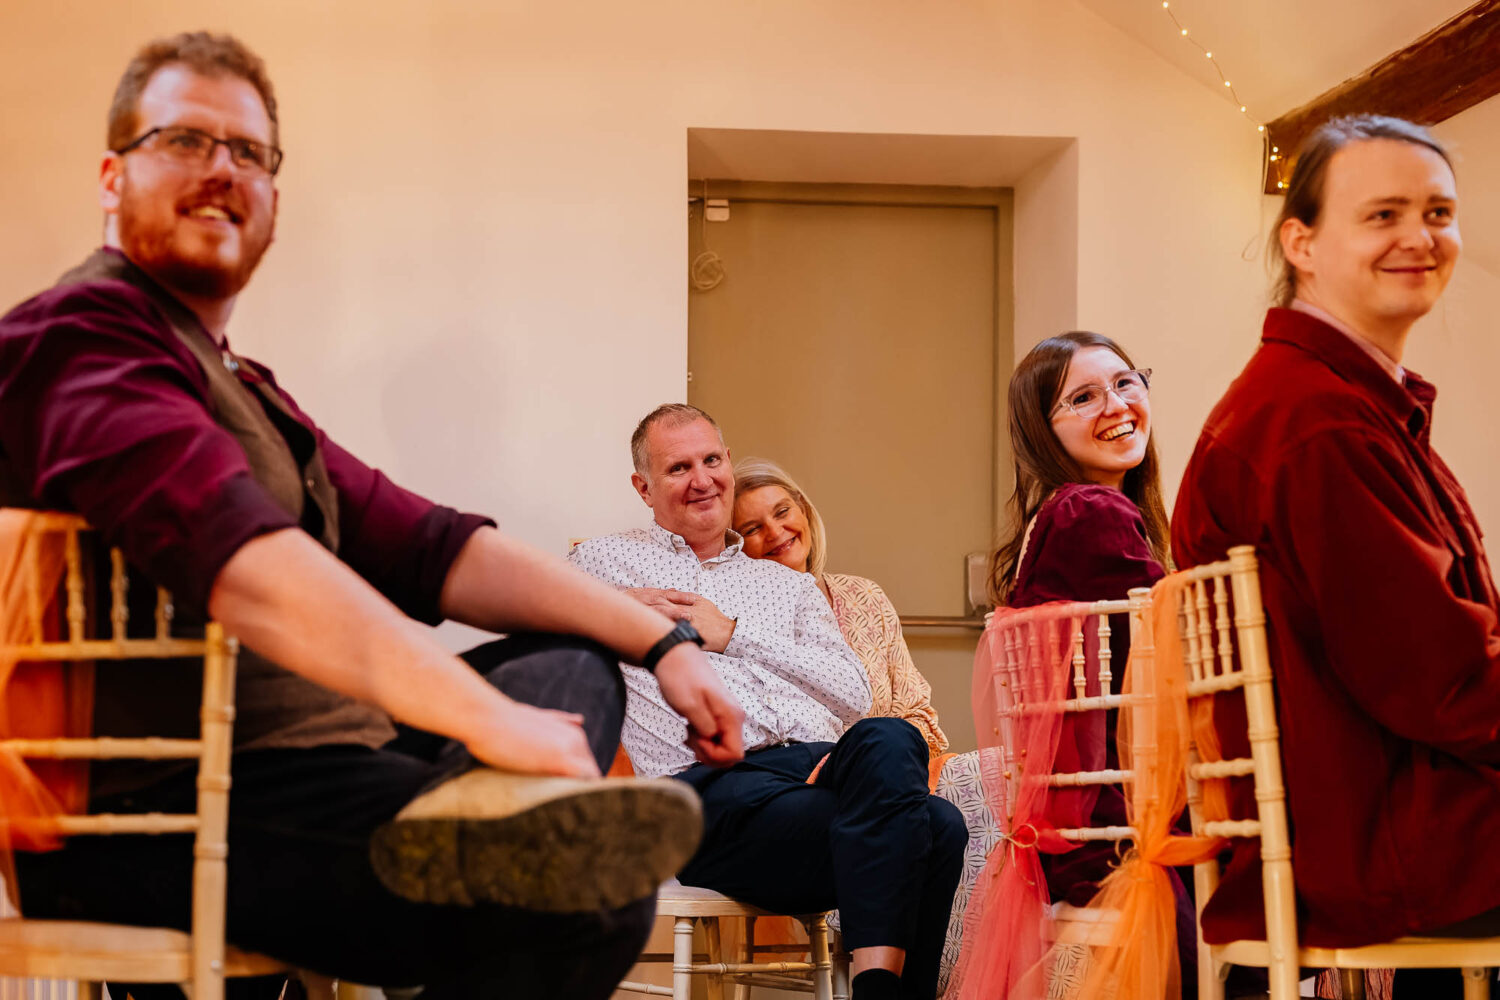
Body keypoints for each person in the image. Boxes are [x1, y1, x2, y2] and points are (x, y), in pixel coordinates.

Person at [0, 31, 745, 1000]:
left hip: (319, 767)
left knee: (568, 666)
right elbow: (236, 554)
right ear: (113, 173)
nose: (222, 170)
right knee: (587, 895)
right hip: (166, 814)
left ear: (273, 194)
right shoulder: (75, 336)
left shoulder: (243, 384)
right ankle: (478, 828)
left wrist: (664, 645)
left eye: (250, 153)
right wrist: (484, 720)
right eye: (186, 140)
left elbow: (433, 544)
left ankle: (468, 822)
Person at [1173, 114, 1498, 999]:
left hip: (1370, 812)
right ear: (1302, 241)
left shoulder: (1324, 397)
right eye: (1383, 214)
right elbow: (1438, 683)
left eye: (1438, 212)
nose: (1418, 238)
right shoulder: (1315, 422)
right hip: (1377, 834)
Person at [568, 403, 968, 1000]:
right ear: (643, 488)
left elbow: (854, 694)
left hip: (816, 770)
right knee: (937, 825)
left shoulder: (789, 584)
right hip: (705, 791)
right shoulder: (602, 564)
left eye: (711, 460)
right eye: (679, 468)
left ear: (728, 462)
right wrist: (611, 615)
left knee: (893, 737)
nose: (702, 479)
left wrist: (730, 633)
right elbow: (544, 640)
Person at [730, 457, 996, 995]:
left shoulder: (863, 598)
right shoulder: (737, 622)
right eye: (753, 528)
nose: (777, 532)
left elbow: (920, 714)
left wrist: (886, 768)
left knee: (936, 792)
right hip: (807, 796)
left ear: (805, 511)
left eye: (783, 512)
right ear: (736, 546)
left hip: (892, 782)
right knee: (921, 812)